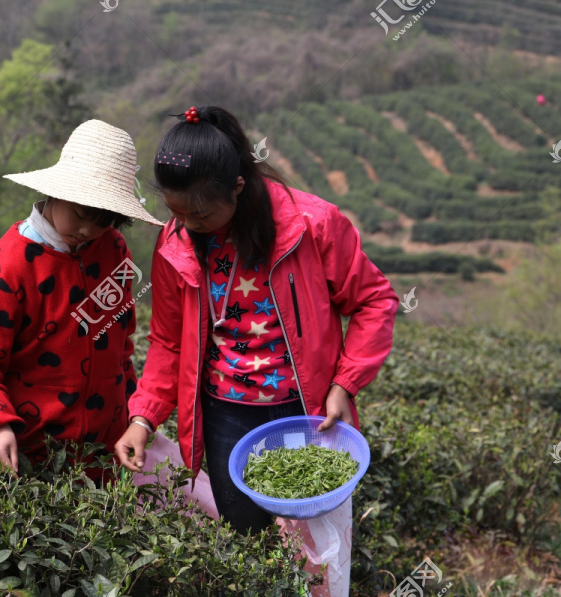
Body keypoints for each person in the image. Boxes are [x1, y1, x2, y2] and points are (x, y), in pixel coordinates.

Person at [115, 106, 398, 534]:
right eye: (177, 212)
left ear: (238, 188)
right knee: (246, 537)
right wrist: (142, 418)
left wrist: (345, 385)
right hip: (226, 414)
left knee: (312, 534)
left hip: (304, 411)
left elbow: (374, 301)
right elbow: (168, 343)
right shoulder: (175, 244)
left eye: (201, 214)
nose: (188, 225)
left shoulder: (311, 226)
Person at [0, 119, 163, 473]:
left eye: (104, 221)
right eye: (82, 215)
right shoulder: (11, 265)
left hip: (106, 451)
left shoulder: (112, 247)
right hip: (32, 454)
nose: (88, 230)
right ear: (57, 192)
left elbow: (121, 340)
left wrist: (133, 415)